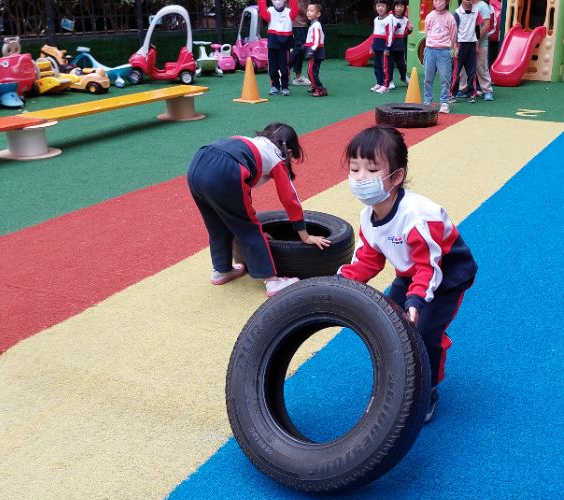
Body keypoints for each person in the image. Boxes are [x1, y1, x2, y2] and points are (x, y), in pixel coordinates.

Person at [338, 126, 477, 423]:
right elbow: (367, 260)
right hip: (411, 273)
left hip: (447, 275)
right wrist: (339, 284)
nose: (360, 177)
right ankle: (400, 376)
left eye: (371, 169)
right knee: (389, 321)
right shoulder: (368, 217)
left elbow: (429, 267)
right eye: (354, 169)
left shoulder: (417, 216)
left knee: (425, 332)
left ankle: (429, 389)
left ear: (396, 176)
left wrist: (415, 301)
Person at [187, 123, 330, 297]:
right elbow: (290, 199)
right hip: (224, 170)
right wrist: (305, 236)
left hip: (197, 163)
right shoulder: (277, 156)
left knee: (216, 224)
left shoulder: (249, 142)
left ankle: (221, 270)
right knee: (249, 228)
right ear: (289, 151)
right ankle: (273, 281)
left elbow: (241, 195)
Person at [257, 0, 298, 96]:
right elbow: (263, 14)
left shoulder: (289, 12)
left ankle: (285, 86)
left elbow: (295, 8)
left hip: (285, 44)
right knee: (272, 67)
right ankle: (275, 86)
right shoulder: (270, 11)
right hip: (272, 43)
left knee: (284, 67)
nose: (278, 1)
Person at [423, 0, 457, 112]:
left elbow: (453, 35)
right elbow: (426, 32)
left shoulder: (450, 18)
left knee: (445, 78)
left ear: (447, 2)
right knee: (428, 78)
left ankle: (444, 102)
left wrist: (449, 48)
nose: (438, 2)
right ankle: (427, 101)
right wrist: (431, 44)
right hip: (430, 49)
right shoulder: (430, 16)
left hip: (444, 51)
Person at [452, 0, 485, 102]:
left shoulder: (476, 12)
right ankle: (452, 94)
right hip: (460, 44)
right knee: (456, 71)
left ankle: (472, 94)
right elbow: (454, 31)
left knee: (472, 71)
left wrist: (477, 43)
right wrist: (455, 47)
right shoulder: (457, 13)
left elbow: (477, 28)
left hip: (472, 44)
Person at [469, 0, 496, 100]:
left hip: (480, 42)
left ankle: (487, 90)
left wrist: (476, 38)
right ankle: (465, 89)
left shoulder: (483, 6)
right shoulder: (467, 5)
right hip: (467, 42)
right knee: (465, 68)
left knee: (481, 66)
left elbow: (486, 25)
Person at [371, 1, 396, 92]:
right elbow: (374, 33)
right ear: (375, 7)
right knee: (377, 67)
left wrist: (387, 48)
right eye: (378, 6)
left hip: (384, 48)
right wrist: (372, 46)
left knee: (385, 67)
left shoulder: (388, 19)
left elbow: (390, 34)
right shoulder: (375, 19)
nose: (380, 8)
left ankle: (385, 86)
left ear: (387, 7)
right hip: (376, 47)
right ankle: (379, 83)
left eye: (382, 6)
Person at [389, 0, 414, 89]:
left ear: (404, 8)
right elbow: (387, 30)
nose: (399, 8)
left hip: (399, 46)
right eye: (397, 6)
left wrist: (410, 29)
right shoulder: (389, 17)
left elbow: (406, 33)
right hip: (390, 45)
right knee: (390, 64)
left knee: (402, 65)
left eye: (401, 6)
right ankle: (390, 80)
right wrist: (395, 27)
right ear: (394, 7)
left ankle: (403, 77)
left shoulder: (405, 19)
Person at [304, 2, 327, 97]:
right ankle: (315, 86)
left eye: (311, 11)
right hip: (314, 51)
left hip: (316, 52)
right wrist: (305, 46)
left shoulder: (316, 25)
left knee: (312, 71)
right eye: (308, 10)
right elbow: (311, 39)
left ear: (318, 14)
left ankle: (320, 89)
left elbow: (317, 40)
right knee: (311, 70)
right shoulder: (313, 25)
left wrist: (312, 50)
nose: (308, 12)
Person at [289, 0, 311, 86]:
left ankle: (298, 77)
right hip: (297, 23)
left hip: (302, 23)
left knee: (301, 49)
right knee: (300, 47)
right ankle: (283, 70)